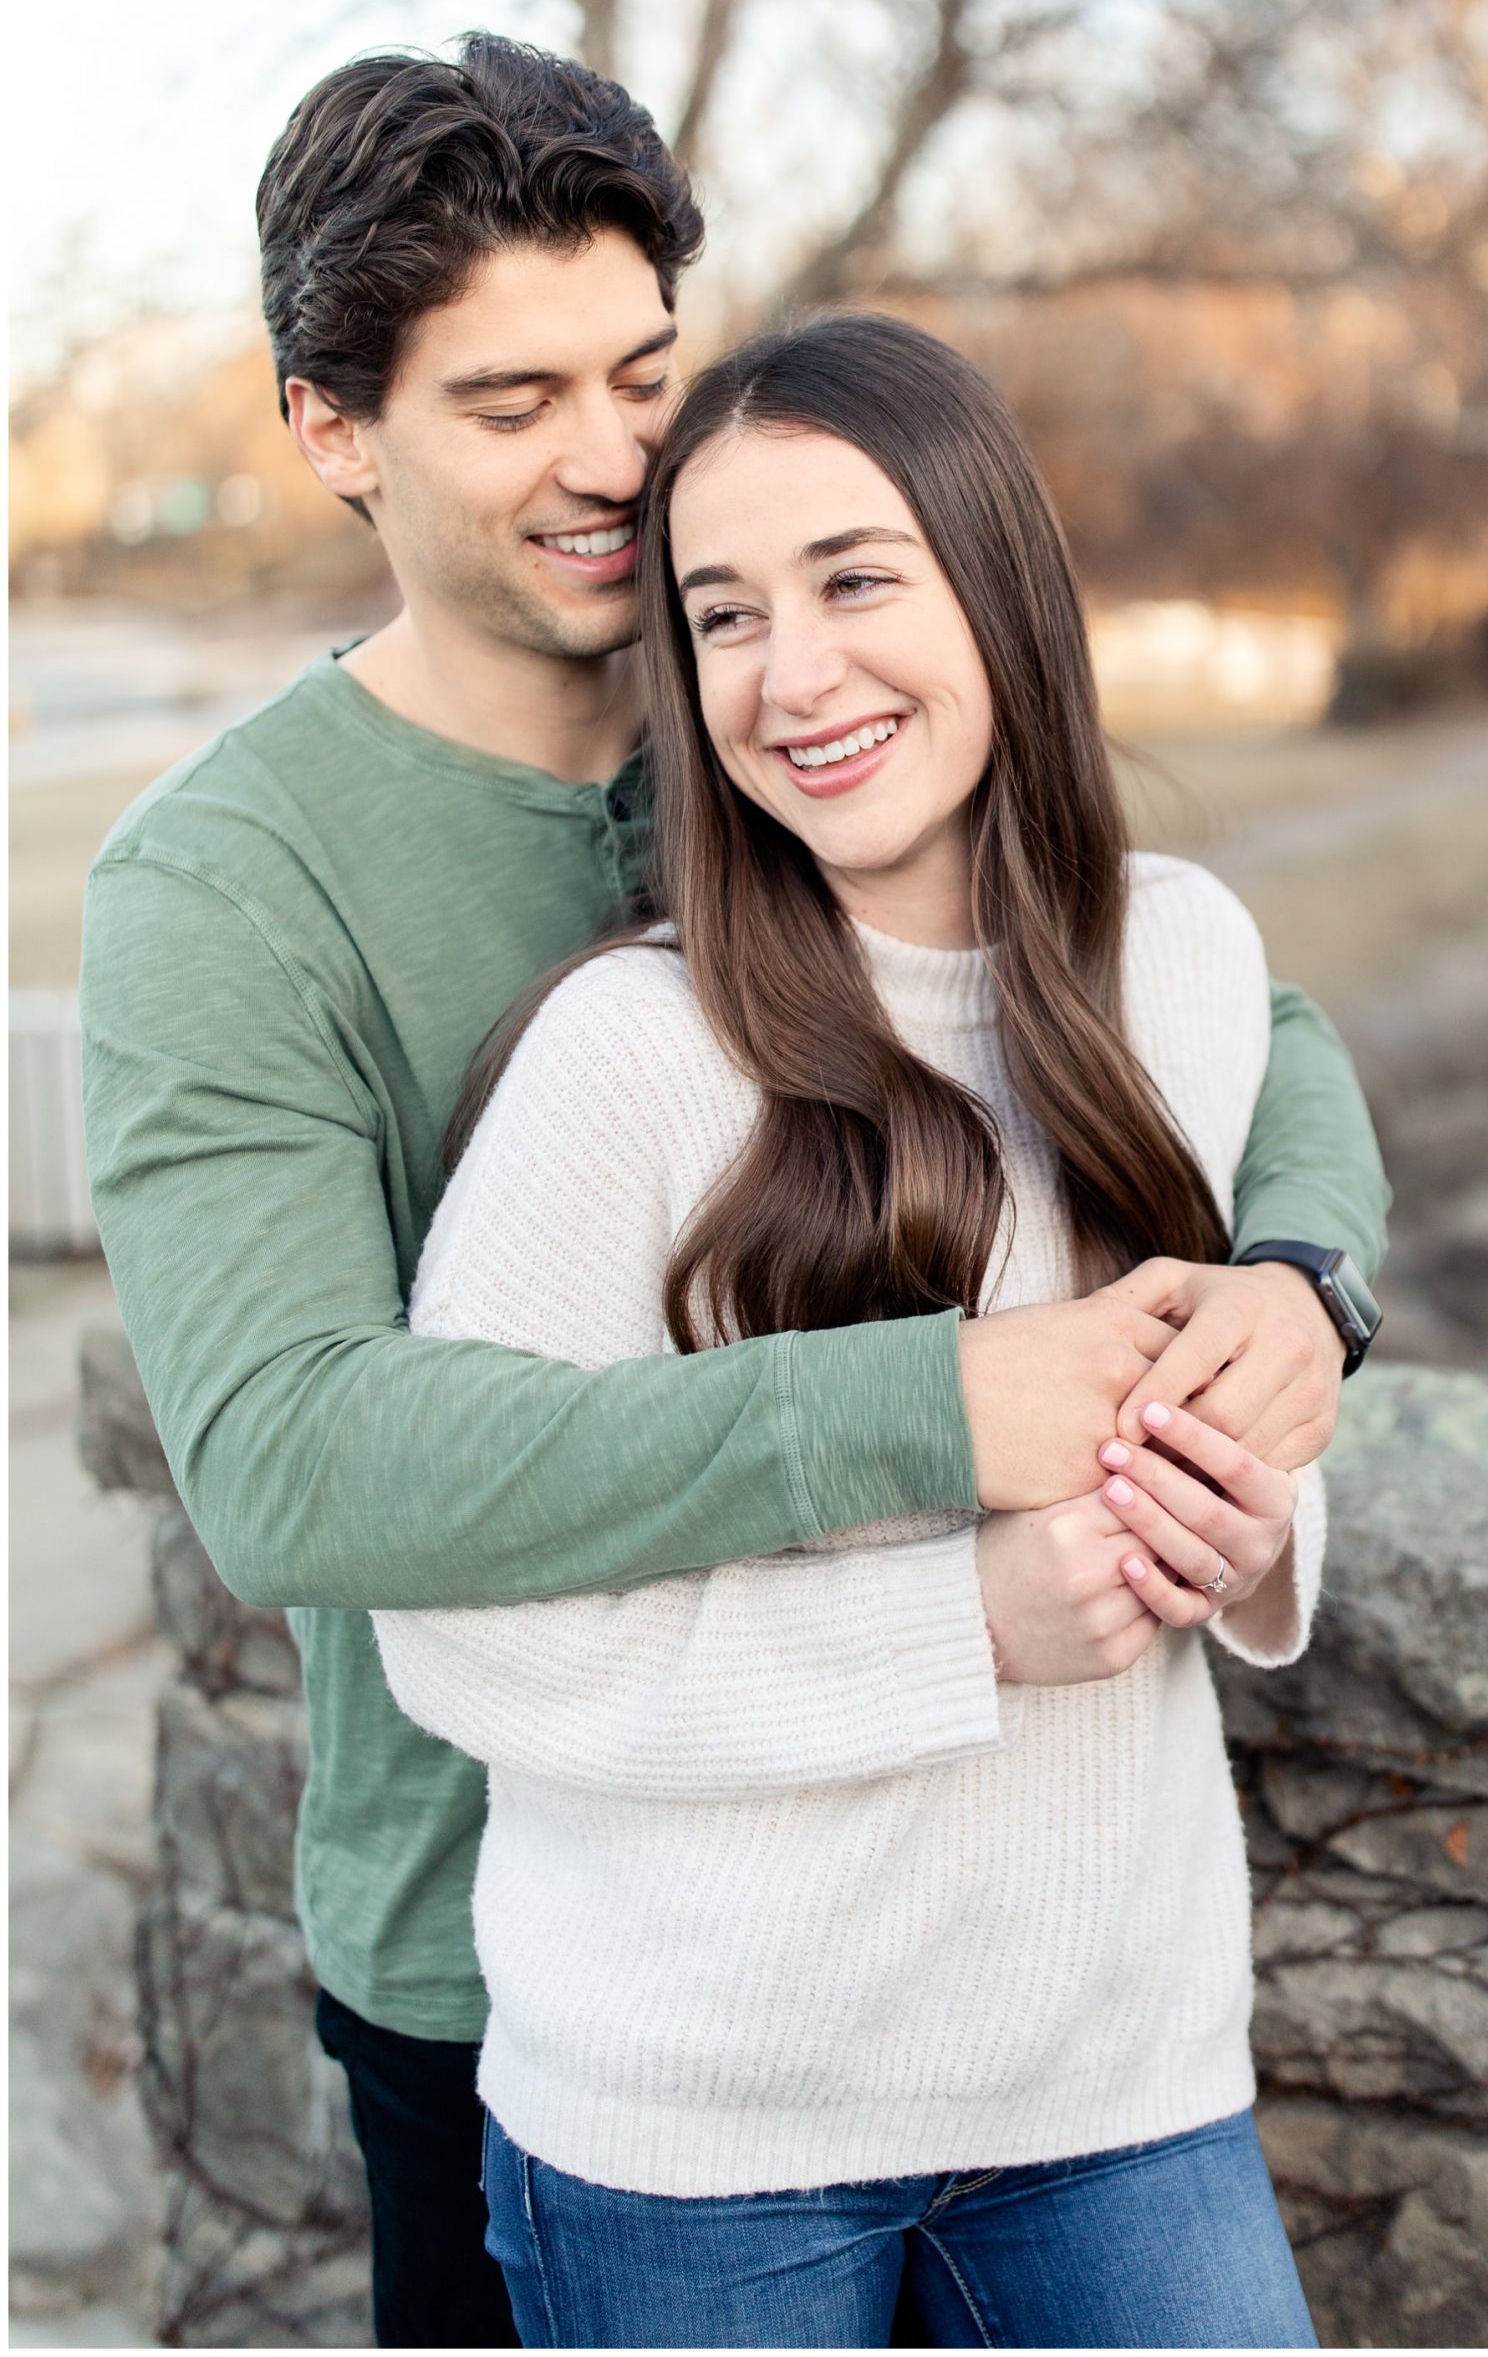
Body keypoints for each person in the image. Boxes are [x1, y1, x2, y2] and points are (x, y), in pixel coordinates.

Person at [80, 36, 1385, 2350]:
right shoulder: (232, 881)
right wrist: (943, 1411)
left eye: (641, 375)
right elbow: (292, 1460)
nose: (608, 460)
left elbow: (1222, 1025)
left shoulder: (776, 694)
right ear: (330, 429)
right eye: (508, 402)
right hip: (525, 1970)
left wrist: (1300, 1272)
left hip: (1007, 1989)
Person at [375, 312, 1332, 2350]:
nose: (790, 674)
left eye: (853, 578)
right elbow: (450, 1622)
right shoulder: (624, 1062)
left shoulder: (1188, 958)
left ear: (995, 580)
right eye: (721, 615)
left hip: (1116, 2076)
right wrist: (959, 1620)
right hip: (696, 2128)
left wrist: (1251, 1517)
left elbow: (1230, 1435)